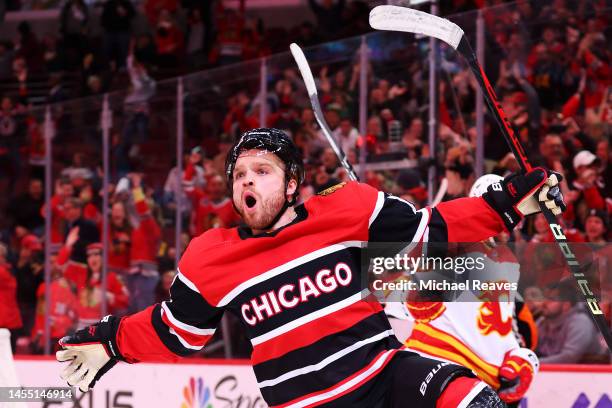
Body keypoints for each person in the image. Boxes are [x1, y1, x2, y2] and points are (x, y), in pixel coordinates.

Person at [57, 128, 565, 407]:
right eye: (238, 175)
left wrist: (509, 204)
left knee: (475, 402)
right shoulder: (213, 254)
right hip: (309, 404)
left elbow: (432, 225)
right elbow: (175, 332)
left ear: (293, 181)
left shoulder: (344, 209)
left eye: (261, 171)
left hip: (386, 375)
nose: (246, 182)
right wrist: (112, 340)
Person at [391, 174, 540, 407]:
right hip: (440, 365)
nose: (512, 222)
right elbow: (405, 299)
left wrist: (523, 357)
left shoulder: (508, 261)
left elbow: (512, 327)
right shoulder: (455, 243)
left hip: (484, 384)